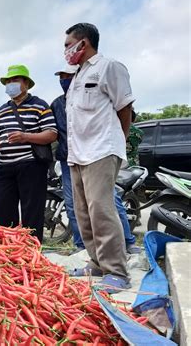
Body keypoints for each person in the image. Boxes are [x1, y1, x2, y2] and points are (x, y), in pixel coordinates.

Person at [64, 23, 135, 292]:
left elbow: (124, 108)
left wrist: (118, 142)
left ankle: (116, 271)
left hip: (101, 150)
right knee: (84, 214)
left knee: (101, 210)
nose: (66, 50)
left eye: (68, 44)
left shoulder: (109, 67)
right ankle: (96, 262)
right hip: (78, 154)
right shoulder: (78, 75)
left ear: (83, 43)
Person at [51, 65, 141, 255]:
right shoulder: (58, 104)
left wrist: (120, 139)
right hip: (70, 159)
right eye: (62, 76)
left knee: (107, 201)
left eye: (69, 75)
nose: (65, 80)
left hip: (96, 156)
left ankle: (127, 242)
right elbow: (53, 131)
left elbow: (125, 112)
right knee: (73, 204)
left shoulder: (96, 95)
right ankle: (82, 245)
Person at [0, 65, 57, 243]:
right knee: (2, 210)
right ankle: (8, 249)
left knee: (32, 212)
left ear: (26, 83)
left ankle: (32, 251)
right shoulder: (1, 110)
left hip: (31, 165)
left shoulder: (39, 105)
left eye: (15, 80)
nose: (11, 84)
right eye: (8, 81)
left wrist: (26, 136)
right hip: (5, 166)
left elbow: (51, 133)